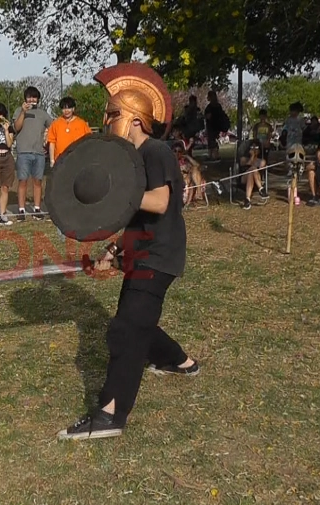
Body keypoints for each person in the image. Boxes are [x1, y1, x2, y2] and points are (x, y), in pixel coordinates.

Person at [58, 67, 199, 441]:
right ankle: (179, 361)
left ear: (135, 119)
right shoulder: (133, 160)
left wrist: (120, 194)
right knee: (135, 321)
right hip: (143, 251)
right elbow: (135, 216)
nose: (106, 122)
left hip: (160, 254)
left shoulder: (155, 151)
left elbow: (160, 201)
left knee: (126, 330)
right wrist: (113, 248)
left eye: (112, 115)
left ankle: (110, 414)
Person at [13, 86, 52, 222]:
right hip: (23, 151)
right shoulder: (19, 110)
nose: (31, 100)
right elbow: (16, 127)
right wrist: (23, 112)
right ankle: (21, 210)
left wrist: (47, 141)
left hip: (39, 153)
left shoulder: (43, 114)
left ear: (38, 99)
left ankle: (36, 208)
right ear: (25, 98)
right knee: (22, 181)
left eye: (34, 97)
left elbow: (52, 127)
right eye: (29, 97)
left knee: (38, 181)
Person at [47, 96, 93, 166]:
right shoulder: (55, 123)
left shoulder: (81, 123)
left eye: (69, 108)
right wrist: (52, 160)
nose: (66, 111)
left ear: (73, 109)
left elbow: (89, 141)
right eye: (64, 108)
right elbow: (52, 142)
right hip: (60, 160)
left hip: (78, 159)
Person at [237, 138, 269, 210]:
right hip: (243, 178)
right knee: (253, 169)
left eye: (256, 147)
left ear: (259, 150)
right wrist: (252, 157)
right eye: (252, 147)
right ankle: (261, 189)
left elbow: (261, 169)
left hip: (256, 179)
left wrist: (255, 158)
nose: (254, 149)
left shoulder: (262, 161)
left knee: (251, 173)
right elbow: (246, 166)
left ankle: (247, 200)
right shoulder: (244, 159)